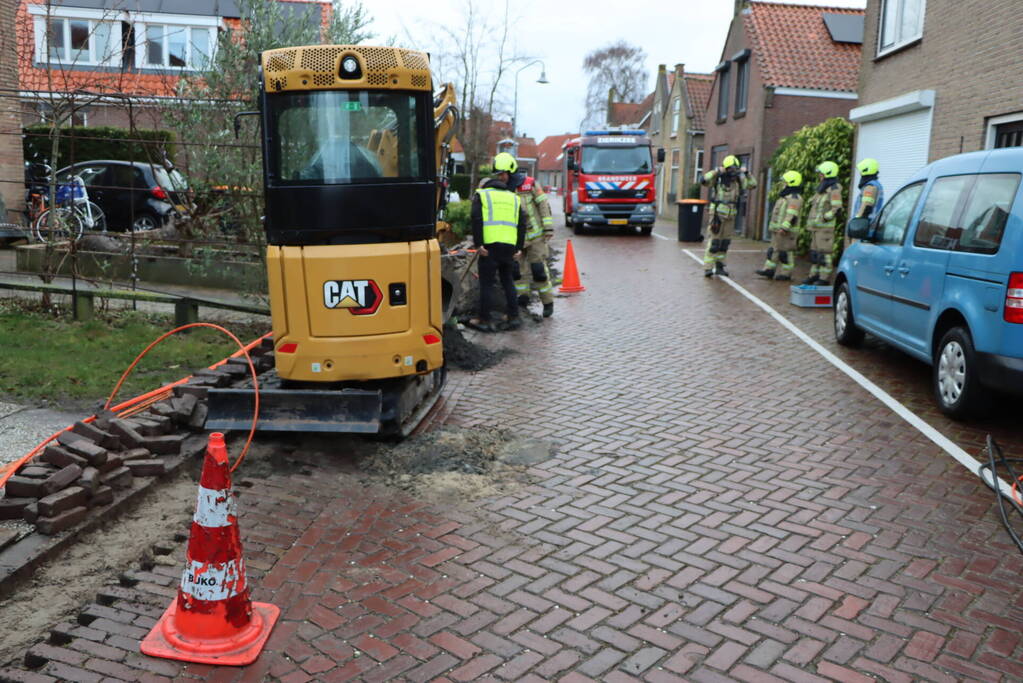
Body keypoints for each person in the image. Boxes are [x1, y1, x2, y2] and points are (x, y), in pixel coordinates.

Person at [466, 152, 528, 332]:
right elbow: (521, 224)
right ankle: (513, 316)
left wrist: (479, 245)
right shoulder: (514, 198)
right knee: (507, 281)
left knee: (487, 283)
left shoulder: (482, 194)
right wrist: (519, 248)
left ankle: (484, 320)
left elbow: (476, 219)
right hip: (509, 247)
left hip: (489, 247)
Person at [701, 155, 756, 277]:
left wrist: (747, 173)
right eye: (730, 168)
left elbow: (753, 185)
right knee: (714, 241)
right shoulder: (718, 179)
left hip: (731, 215)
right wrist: (716, 171)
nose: (733, 171)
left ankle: (720, 266)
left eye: (735, 168)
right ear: (725, 168)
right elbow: (703, 180)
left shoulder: (738, 180)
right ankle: (708, 268)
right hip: (717, 214)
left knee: (724, 242)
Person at [511, 172, 555, 318]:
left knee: (539, 270)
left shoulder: (529, 184)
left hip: (536, 236)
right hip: (517, 238)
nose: (501, 177)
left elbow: (543, 204)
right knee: (518, 272)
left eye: (503, 174)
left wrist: (548, 227)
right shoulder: (505, 188)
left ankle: (548, 303)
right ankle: (522, 300)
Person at [755, 170, 803, 281]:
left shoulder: (794, 198)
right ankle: (769, 270)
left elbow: (791, 214)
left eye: (785, 182)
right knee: (774, 250)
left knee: (786, 253)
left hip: (787, 231)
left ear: (791, 182)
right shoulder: (785, 197)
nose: (783, 184)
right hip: (778, 230)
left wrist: (784, 227)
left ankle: (786, 274)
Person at [803, 160, 844, 286]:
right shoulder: (823, 189)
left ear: (827, 174)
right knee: (815, 254)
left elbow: (837, 208)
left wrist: (826, 217)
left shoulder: (834, 189)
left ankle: (824, 278)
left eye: (821, 174)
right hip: (816, 228)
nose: (819, 176)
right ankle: (813, 275)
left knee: (825, 254)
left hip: (825, 229)